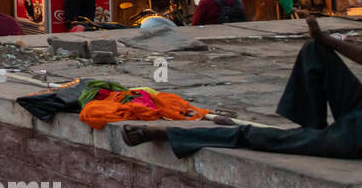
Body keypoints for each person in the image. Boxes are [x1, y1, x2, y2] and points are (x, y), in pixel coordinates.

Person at [124, 18, 362, 160]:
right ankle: (309, 130)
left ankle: (169, 134)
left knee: (254, 137)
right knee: (314, 50)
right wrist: (325, 39)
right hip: (356, 110)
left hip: (355, 135)